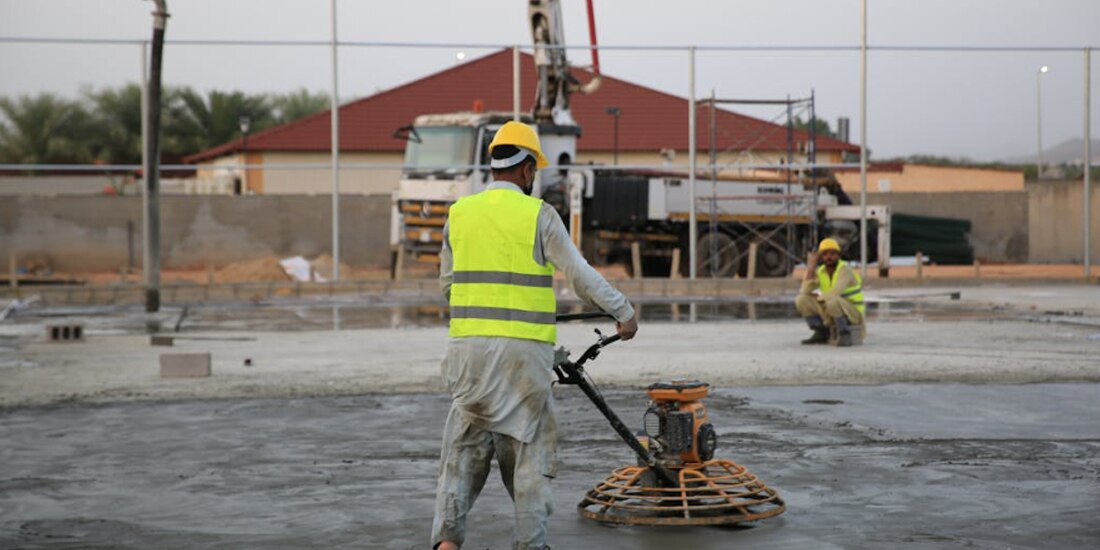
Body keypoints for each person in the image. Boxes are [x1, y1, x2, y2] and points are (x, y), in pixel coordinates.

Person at [432, 121, 638, 550]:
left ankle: (447, 543)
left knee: (461, 456)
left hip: (467, 356)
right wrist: (623, 312)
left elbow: (449, 288)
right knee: (529, 458)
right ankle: (530, 545)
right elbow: (579, 276)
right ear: (527, 169)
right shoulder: (538, 215)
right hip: (523, 362)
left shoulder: (460, 214)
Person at [795, 237, 864, 347]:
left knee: (831, 300)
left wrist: (819, 298)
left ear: (838, 255)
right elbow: (805, 290)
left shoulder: (845, 270)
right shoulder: (821, 271)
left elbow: (835, 293)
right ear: (821, 257)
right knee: (802, 299)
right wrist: (811, 266)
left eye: (832, 254)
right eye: (825, 254)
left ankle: (844, 333)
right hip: (832, 307)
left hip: (852, 313)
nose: (829, 257)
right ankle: (821, 332)